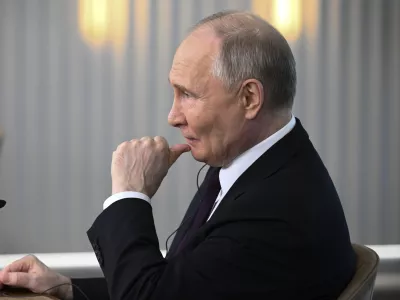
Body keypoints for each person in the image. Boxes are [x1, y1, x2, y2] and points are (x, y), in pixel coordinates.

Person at [0, 10, 356, 300]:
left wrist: (129, 195)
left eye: (188, 94)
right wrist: (69, 290)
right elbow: (179, 285)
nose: (173, 116)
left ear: (249, 99)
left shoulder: (274, 211)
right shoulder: (257, 167)